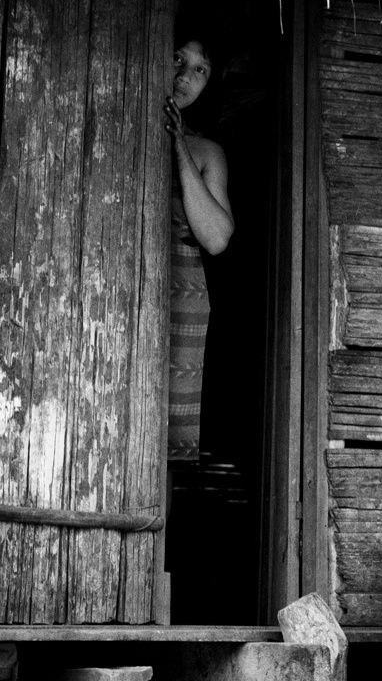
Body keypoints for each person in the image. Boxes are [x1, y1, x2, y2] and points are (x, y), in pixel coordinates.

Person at [164, 33, 234, 461]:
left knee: (163, 442)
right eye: (178, 58)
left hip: (180, 295)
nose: (184, 75)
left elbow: (217, 237)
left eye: (199, 70)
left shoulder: (206, 152)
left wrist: (178, 145)